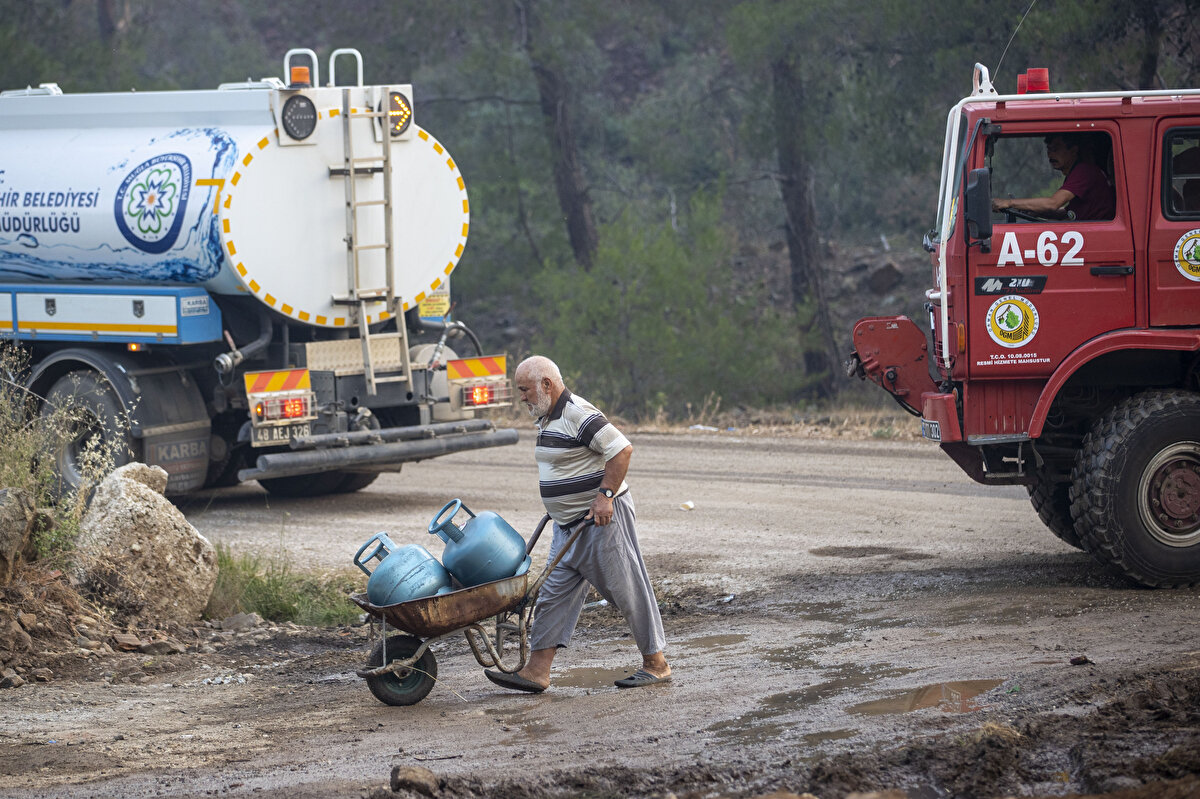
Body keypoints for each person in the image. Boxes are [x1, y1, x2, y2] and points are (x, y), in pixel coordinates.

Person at [483, 355, 671, 692]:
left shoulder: (577, 413)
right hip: (567, 525)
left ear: (547, 385)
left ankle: (656, 664)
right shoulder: (548, 417)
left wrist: (606, 496)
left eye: (525, 390)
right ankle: (537, 671)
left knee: (627, 589)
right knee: (553, 595)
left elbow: (621, 450)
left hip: (600, 521)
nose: (521, 397)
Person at [992, 133, 1116, 221]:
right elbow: (1067, 212)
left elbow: (1053, 203)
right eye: (1049, 149)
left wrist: (1008, 203)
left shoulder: (1083, 171)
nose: (1050, 154)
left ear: (1073, 150)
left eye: (1056, 149)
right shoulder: (1078, 172)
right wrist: (1038, 211)